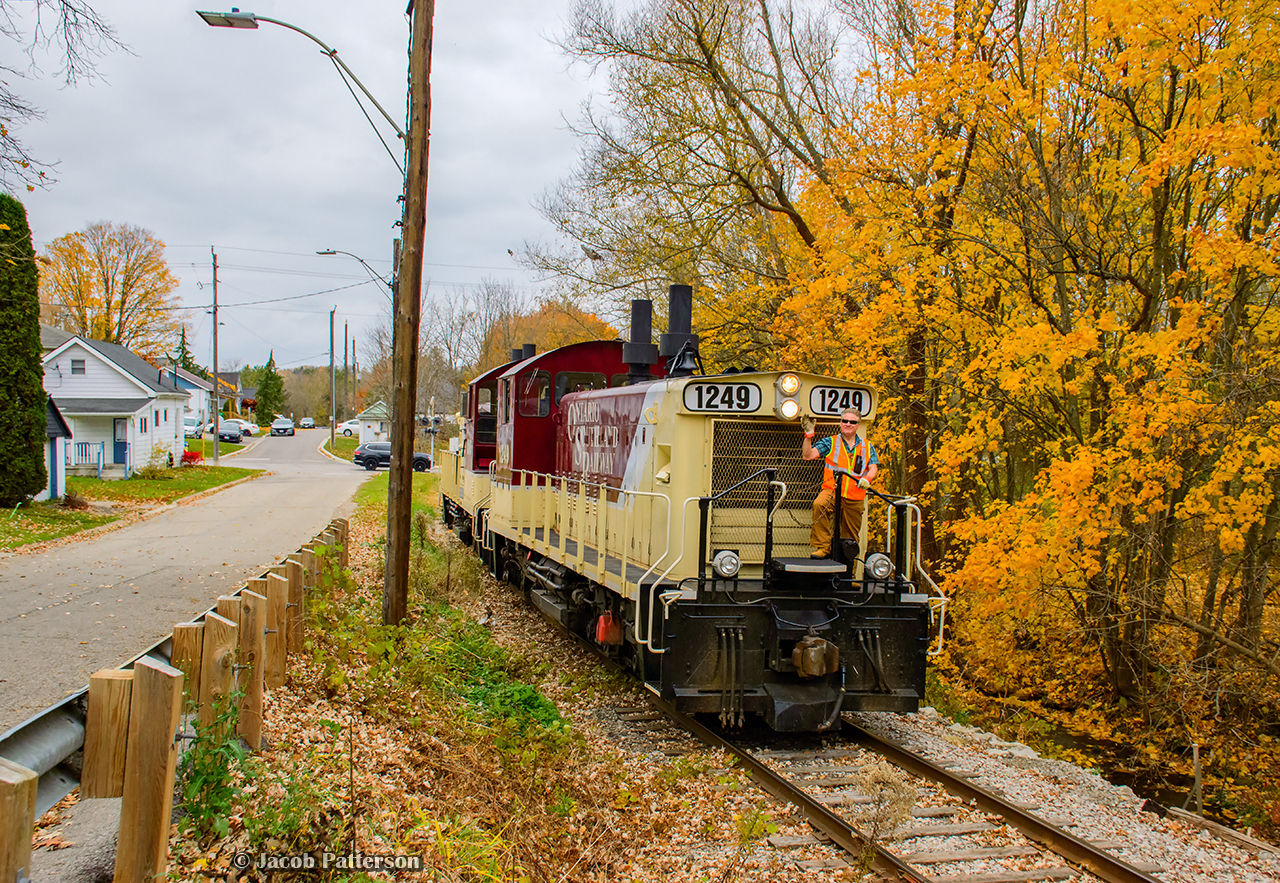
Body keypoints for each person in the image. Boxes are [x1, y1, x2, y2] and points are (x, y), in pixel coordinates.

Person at [801, 408, 878, 559]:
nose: (848, 424)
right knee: (819, 505)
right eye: (845, 421)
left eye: (852, 422)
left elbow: (873, 468)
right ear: (840, 423)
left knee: (851, 535)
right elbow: (808, 455)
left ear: (858, 425)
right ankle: (823, 547)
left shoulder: (867, 446)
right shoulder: (831, 442)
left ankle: (849, 572)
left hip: (854, 496)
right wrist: (808, 436)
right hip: (832, 490)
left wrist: (866, 479)